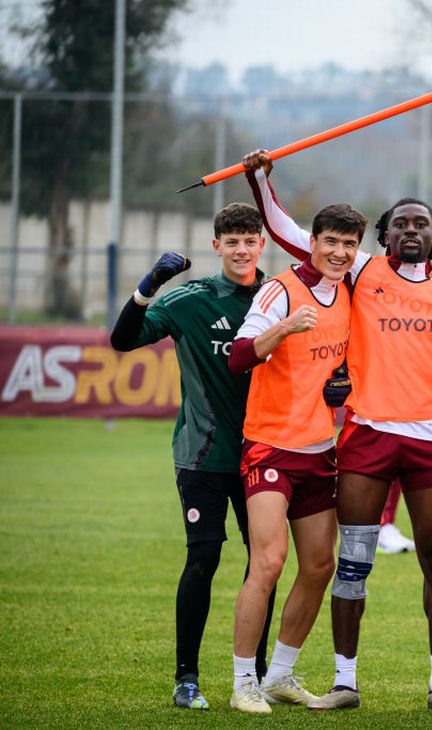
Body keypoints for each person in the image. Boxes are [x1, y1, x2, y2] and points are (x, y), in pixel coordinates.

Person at [243, 150, 432, 712]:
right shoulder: (361, 270)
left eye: (419, 223)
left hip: (430, 439)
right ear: (383, 235)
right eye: (399, 222)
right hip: (367, 436)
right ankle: (345, 681)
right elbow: (288, 232)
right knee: (352, 562)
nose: (408, 229)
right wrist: (259, 179)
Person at [109, 203, 274, 710]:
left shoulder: (279, 298)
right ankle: (187, 678)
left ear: (261, 245)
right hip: (201, 454)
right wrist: (148, 287)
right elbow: (124, 339)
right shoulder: (190, 299)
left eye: (250, 240)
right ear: (216, 246)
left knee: (265, 565)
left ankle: (258, 676)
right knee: (203, 557)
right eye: (233, 241)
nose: (242, 249)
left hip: (262, 454)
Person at [225, 202, 363, 714]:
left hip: (320, 449)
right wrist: (284, 328)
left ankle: (280, 674)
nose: (339, 253)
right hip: (269, 446)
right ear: (313, 242)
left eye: (349, 245)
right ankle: (244, 682)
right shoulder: (279, 290)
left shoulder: (349, 290)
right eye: (330, 242)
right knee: (268, 561)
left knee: (320, 564)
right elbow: (240, 358)